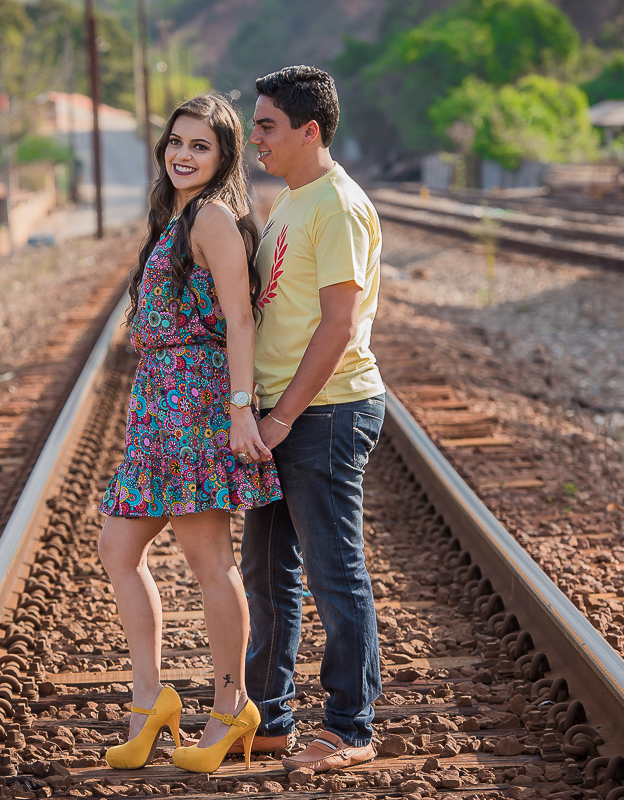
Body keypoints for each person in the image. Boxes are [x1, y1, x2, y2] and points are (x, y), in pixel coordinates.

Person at [97, 93, 283, 774]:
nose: (183, 154)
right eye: (177, 141)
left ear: (224, 156)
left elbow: (240, 319)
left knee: (209, 562)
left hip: (198, 406)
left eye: (200, 146)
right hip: (158, 408)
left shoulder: (211, 219)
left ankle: (231, 703)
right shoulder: (173, 216)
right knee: (118, 547)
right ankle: (151, 700)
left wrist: (240, 411)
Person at [241, 65, 387, 773]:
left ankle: (350, 729)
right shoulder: (293, 200)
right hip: (283, 415)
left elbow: (337, 324)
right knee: (267, 572)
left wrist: (283, 417)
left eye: (266, 126)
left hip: (324, 414)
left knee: (334, 572)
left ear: (310, 130)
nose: (254, 138)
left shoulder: (337, 205)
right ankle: (267, 719)